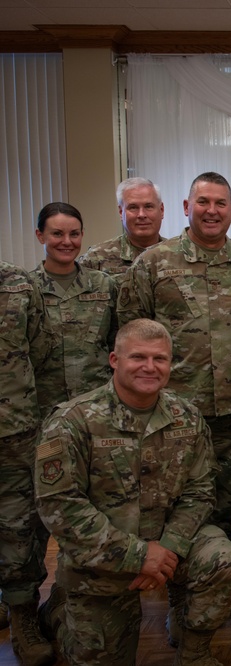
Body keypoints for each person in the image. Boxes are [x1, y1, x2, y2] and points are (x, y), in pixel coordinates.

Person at [34, 319, 231, 665]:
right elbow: (60, 507)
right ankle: (59, 612)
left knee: (223, 560)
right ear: (115, 360)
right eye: (138, 357)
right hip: (102, 559)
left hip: (168, 546)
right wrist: (136, 555)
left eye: (160, 359)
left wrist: (167, 548)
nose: (150, 367)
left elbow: (201, 491)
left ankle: (193, 653)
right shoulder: (73, 422)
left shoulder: (186, 418)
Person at [117, 171, 231, 543]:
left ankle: (225, 577)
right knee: (174, 501)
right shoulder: (153, 264)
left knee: (230, 500)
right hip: (171, 414)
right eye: (203, 202)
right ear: (187, 207)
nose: (211, 210)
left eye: (220, 203)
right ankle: (180, 581)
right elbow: (131, 338)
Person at [0, 261, 51, 666]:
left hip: (12, 429)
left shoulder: (17, 283)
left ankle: (22, 615)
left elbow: (39, 347)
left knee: (19, 527)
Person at [30, 202, 117, 415]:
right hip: (45, 408)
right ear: (40, 236)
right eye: (57, 234)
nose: (67, 242)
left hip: (99, 406)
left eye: (74, 234)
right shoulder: (26, 289)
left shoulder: (104, 285)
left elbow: (116, 344)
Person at [79, 177, 167, 284]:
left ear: (161, 210)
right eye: (133, 207)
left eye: (148, 206)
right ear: (121, 212)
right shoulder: (96, 259)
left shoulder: (177, 256)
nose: (141, 215)